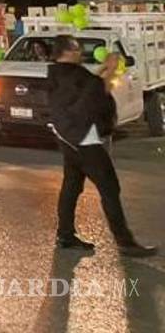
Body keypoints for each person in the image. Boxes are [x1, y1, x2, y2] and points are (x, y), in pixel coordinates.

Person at [46, 35, 155, 257]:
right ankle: (125, 242)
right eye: (76, 48)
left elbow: (85, 87)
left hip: (68, 138)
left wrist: (103, 69)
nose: (79, 53)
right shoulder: (75, 74)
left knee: (72, 186)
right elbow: (93, 93)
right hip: (84, 140)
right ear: (69, 50)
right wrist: (112, 70)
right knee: (110, 188)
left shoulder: (57, 73)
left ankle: (65, 235)